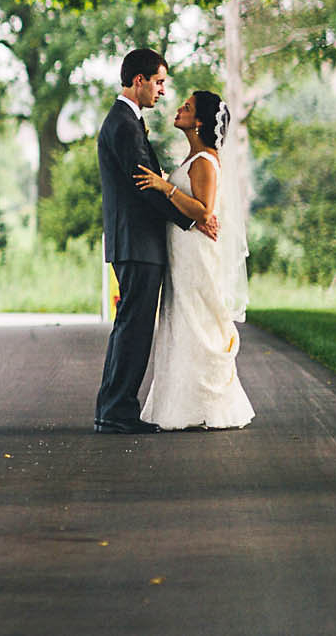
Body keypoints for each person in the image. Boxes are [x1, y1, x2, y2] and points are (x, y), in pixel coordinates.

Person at [137, 85, 253, 430]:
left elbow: (203, 212)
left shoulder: (204, 162)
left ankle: (205, 404)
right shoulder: (192, 159)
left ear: (200, 122)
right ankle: (182, 405)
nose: (178, 110)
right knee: (181, 317)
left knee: (196, 318)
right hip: (182, 253)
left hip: (196, 255)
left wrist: (164, 187)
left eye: (186, 108)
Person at [92, 47, 185, 430]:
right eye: (159, 82)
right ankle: (117, 411)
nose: (162, 91)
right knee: (134, 328)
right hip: (137, 244)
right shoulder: (125, 125)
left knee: (129, 325)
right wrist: (189, 221)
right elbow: (145, 187)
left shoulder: (126, 122)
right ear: (139, 80)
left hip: (134, 243)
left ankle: (112, 408)